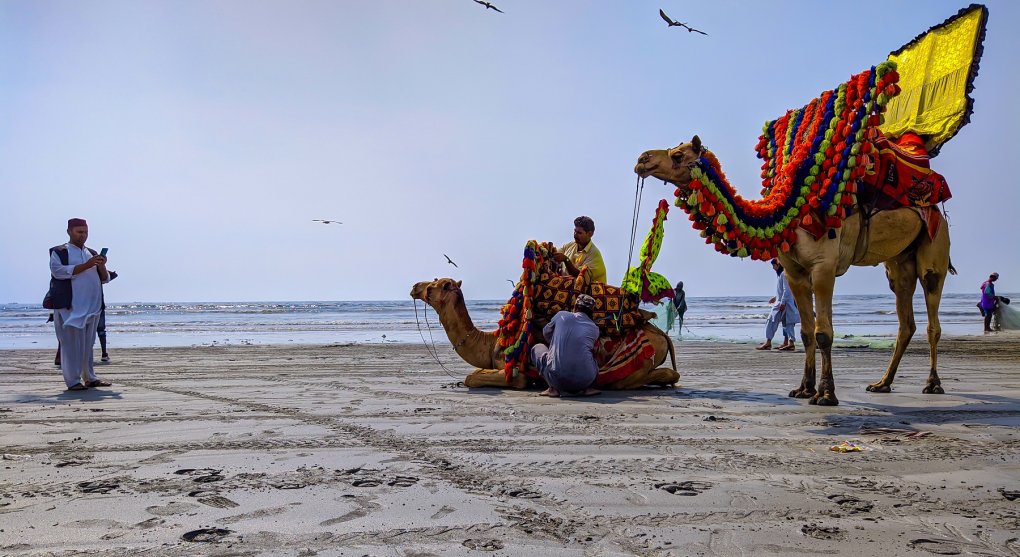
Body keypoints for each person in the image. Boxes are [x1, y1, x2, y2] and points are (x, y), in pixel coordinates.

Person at [49, 218, 112, 391]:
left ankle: (90, 378)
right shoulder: (60, 251)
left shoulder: (91, 252)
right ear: (69, 231)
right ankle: (73, 381)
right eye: (79, 232)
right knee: (70, 344)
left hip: (92, 306)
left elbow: (105, 279)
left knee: (88, 344)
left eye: (85, 232)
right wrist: (87, 265)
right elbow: (58, 272)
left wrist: (101, 265)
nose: (82, 236)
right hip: (70, 306)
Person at [530, 294, 601, 397]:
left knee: (537, 348)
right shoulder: (594, 328)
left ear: (575, 306)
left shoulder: (561, 315)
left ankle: (552, 388)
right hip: (585, 381)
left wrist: (556, 344)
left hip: (557, 380)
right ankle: (587, 388)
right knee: (591, 357)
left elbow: (546, 333)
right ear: (591, 312)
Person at [53, 270, 118, 366]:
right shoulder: (92, 273)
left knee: (71, 331)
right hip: (95, 304)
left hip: (78, 304)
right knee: (99, 331)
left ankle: (63, 356)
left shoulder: (76, 274)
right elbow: (106, 277)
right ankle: (103, 353)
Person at [757, 259, 799, 351]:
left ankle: (768, 342)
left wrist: (782, 302)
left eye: (774, 265)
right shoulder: (783, 275)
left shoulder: (784, 274)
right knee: (788, 323)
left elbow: (786, 290)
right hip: (785, 302)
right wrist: (776, 297)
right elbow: (785, 291)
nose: (773, 268)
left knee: (771, 321)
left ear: (778, 265)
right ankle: (790, 343)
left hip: (783, 303)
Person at [554, 216, 607, 285]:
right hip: (566, 288)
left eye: (579, 233)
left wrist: (566, 260)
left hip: (587, 294)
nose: (575, 235)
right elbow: (556, 254)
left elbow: (580, 276)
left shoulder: (594, 254)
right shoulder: (570, 245)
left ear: (590, 234)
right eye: (575, 231)